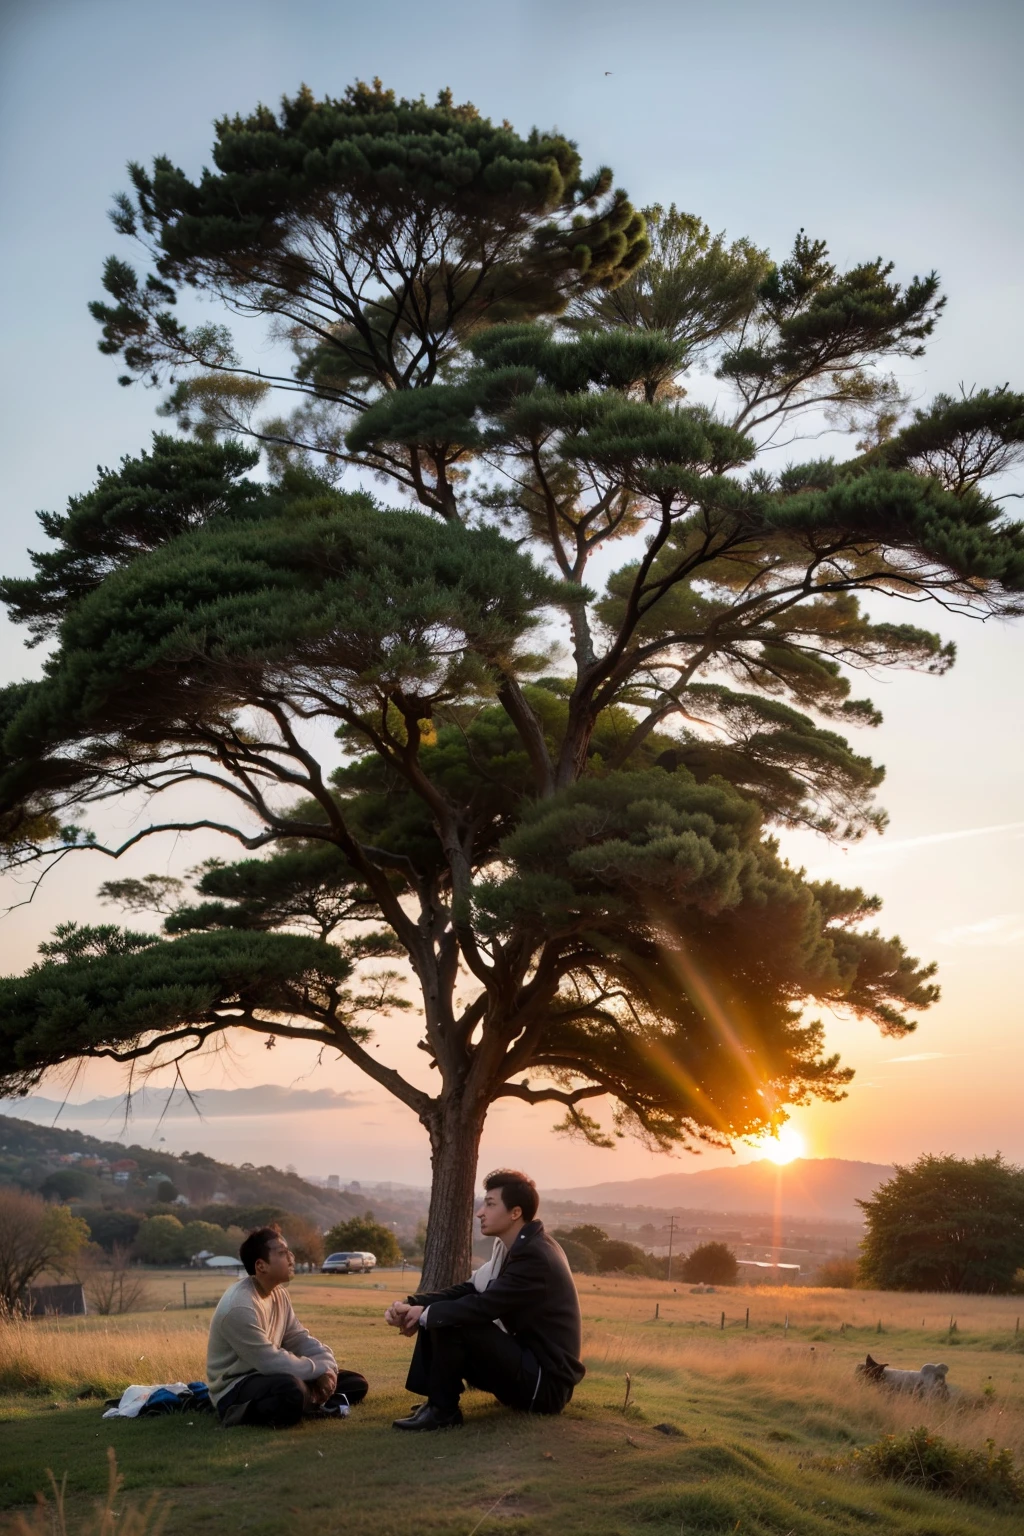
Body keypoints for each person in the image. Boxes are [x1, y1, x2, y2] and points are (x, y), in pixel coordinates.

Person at [385, 1168, 584, 1431]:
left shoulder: (535, 1257)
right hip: (527, 1368)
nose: (480, 1212)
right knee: (446, 1311)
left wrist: (425, 1314)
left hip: (544, 1387)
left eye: (490, 1204)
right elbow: (470, 1289)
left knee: (452, 1318)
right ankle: (438, 1400)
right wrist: (414, 1304)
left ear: (515, 1213)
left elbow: (484, 1306)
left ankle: (442, 1412)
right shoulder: (515, 1247)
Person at [207, 1224, 368, 1427]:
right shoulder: (239, 1307)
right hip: (237, 1386)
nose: (291, 1258)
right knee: (291, 1389)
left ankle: (310, 1398)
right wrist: (317, 1371)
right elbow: (271, 1362)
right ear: (261, 1265)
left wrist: (327, 1368)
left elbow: (297, 1338)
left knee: (355, 1383)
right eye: (282, 1253)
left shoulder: (279, 1293)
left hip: (273, 1375)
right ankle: (309, 1399)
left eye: (289, 1251)